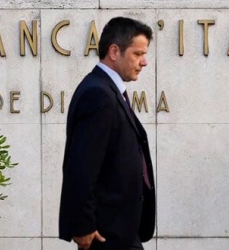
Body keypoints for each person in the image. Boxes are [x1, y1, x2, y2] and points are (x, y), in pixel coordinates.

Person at [59, 16, 155, 250]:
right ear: (114, 51)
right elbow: (81, 166)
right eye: (137, 53)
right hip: (106, 236)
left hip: (121, 232)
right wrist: (83, 225)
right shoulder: (99, 95)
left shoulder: (107, 90)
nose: (144, 62)